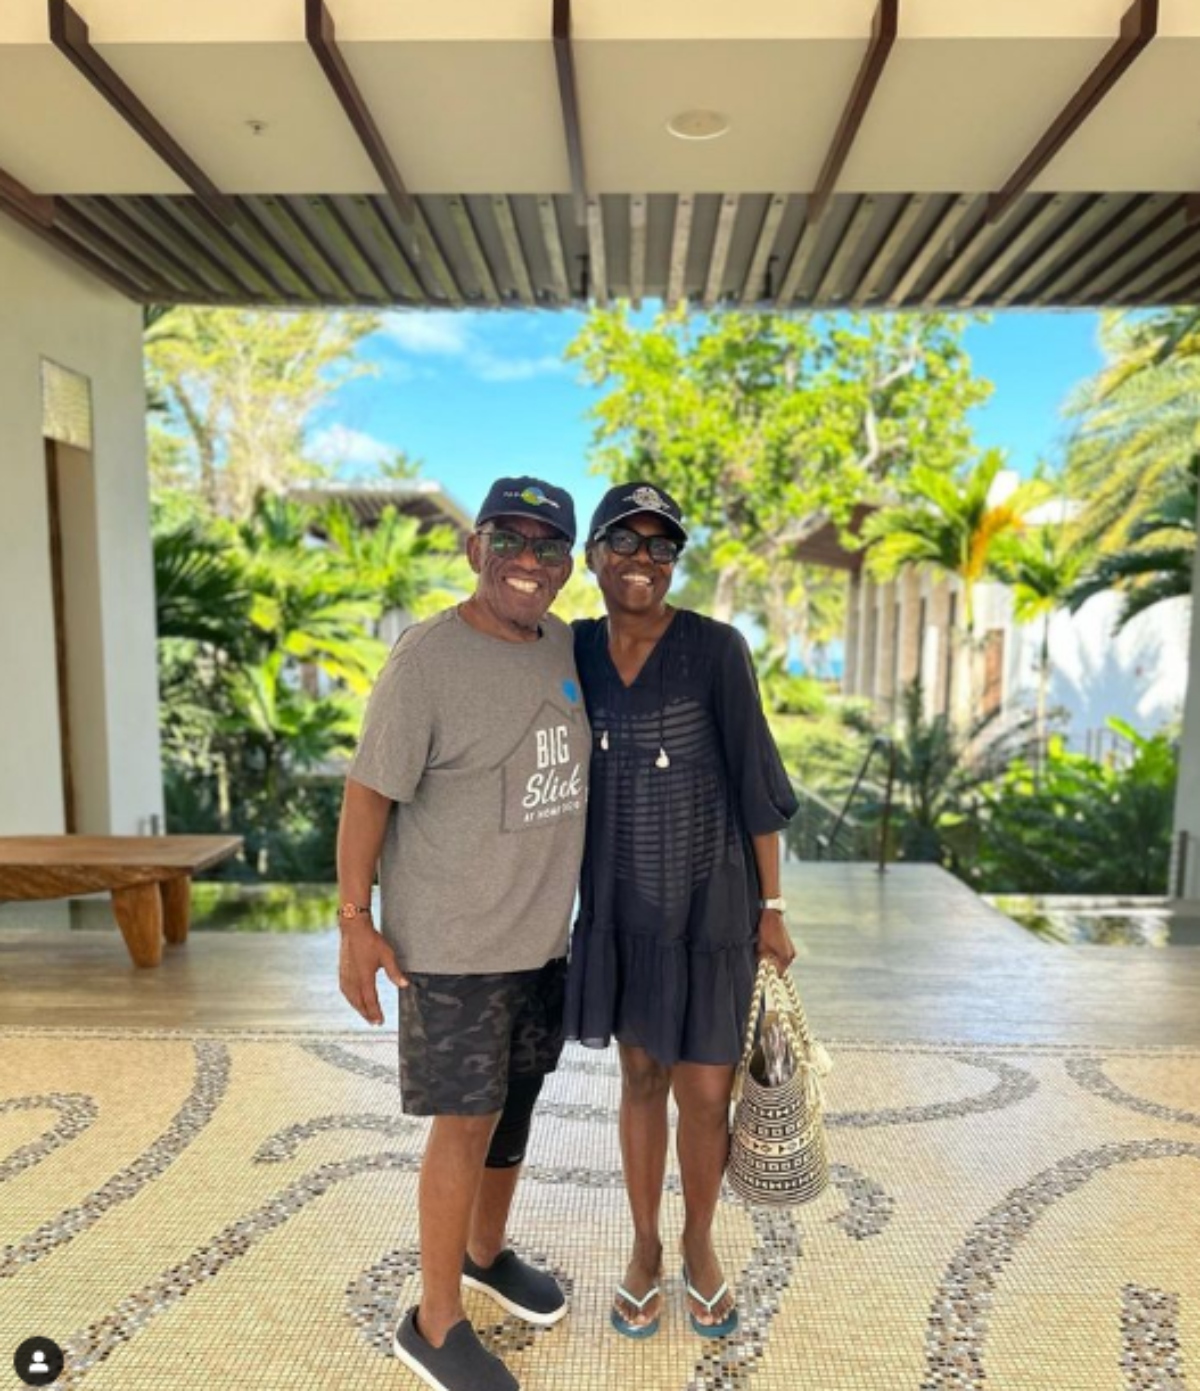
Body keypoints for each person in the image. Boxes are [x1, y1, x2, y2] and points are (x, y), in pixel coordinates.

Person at [337, 476, 589, 1391]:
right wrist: (354, 923)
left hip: (539, 943)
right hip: (452, 947)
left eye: (548, 547)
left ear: (566, 567)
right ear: (475, 549)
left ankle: (485, 1252)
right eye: (510, 541)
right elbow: (367, 793)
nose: (529, 561)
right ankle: (433, 1321)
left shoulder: (561, 644)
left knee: (516, 1109)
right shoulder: (427, 660)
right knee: (464, 1120)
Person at [565, 481, 798, 1341]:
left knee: (705, 1094)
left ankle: (699, 1244)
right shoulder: (572, 650)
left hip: (713, 913)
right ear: (591, 555)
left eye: (662, 547)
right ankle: (643, 1245)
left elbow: (757, 787)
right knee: (638, 1077)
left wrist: (772, 907)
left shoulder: (717, 649)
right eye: (624, 541)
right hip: (622, 910)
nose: (642, 561)